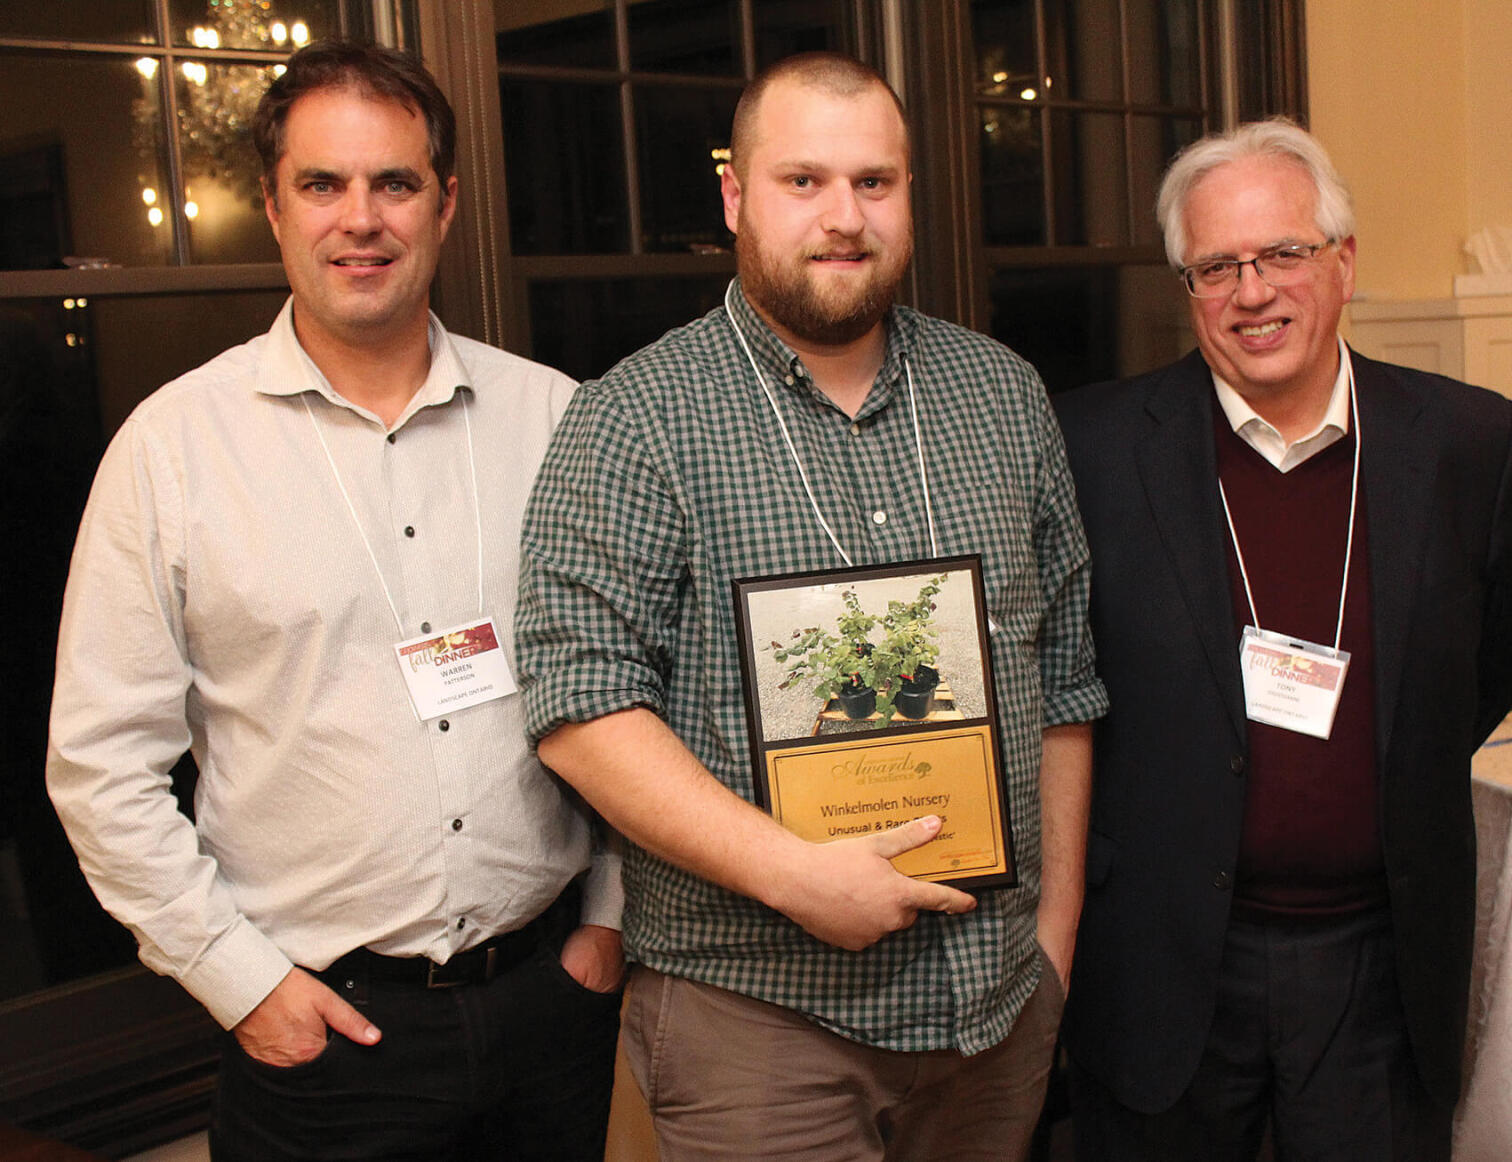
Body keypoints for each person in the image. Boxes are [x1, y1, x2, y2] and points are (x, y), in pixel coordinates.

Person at [516, 51, 1106, 1162]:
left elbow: (1065, 678)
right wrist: (797, 877)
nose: (844, 217)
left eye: (874, 183)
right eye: (804, 182)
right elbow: (580, 704)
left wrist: (1055, 934)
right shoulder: (633, 418)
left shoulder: (1003, 396)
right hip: (759, 1017)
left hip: (992, 1005)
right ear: (735, 196)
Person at [46, 40, 622, 1160]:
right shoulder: (173, 450)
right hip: (322, 1035)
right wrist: (241, 982)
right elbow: (100, 767)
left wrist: (607, 920)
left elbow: (641, 684)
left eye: (394, 183)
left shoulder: (556, 420)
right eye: (323, 184)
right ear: (273, 206)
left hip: (551, 1005)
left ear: (444, 204)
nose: (360, 218)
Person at [1053, 118, 1512, 1161]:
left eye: (1282, 252)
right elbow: (1061, 681)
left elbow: (1498, 659)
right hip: (1164, 962)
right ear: (1186, 288)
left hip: (1380, 964)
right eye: (1215, 266)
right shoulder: (1091, 447)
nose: (1252, 291)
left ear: (1345, 261)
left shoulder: (1466, 440)